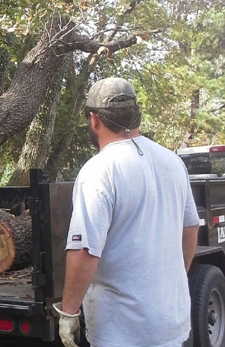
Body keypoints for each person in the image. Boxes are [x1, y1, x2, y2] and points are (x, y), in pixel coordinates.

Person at [53, 78, 199, 347]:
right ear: (135, 114)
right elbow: (190, 228)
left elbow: (85, 250)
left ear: (94, 119)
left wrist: (69, 312)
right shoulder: (173, 162)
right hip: (171, 325)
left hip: (122, 332)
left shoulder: (99, 170)